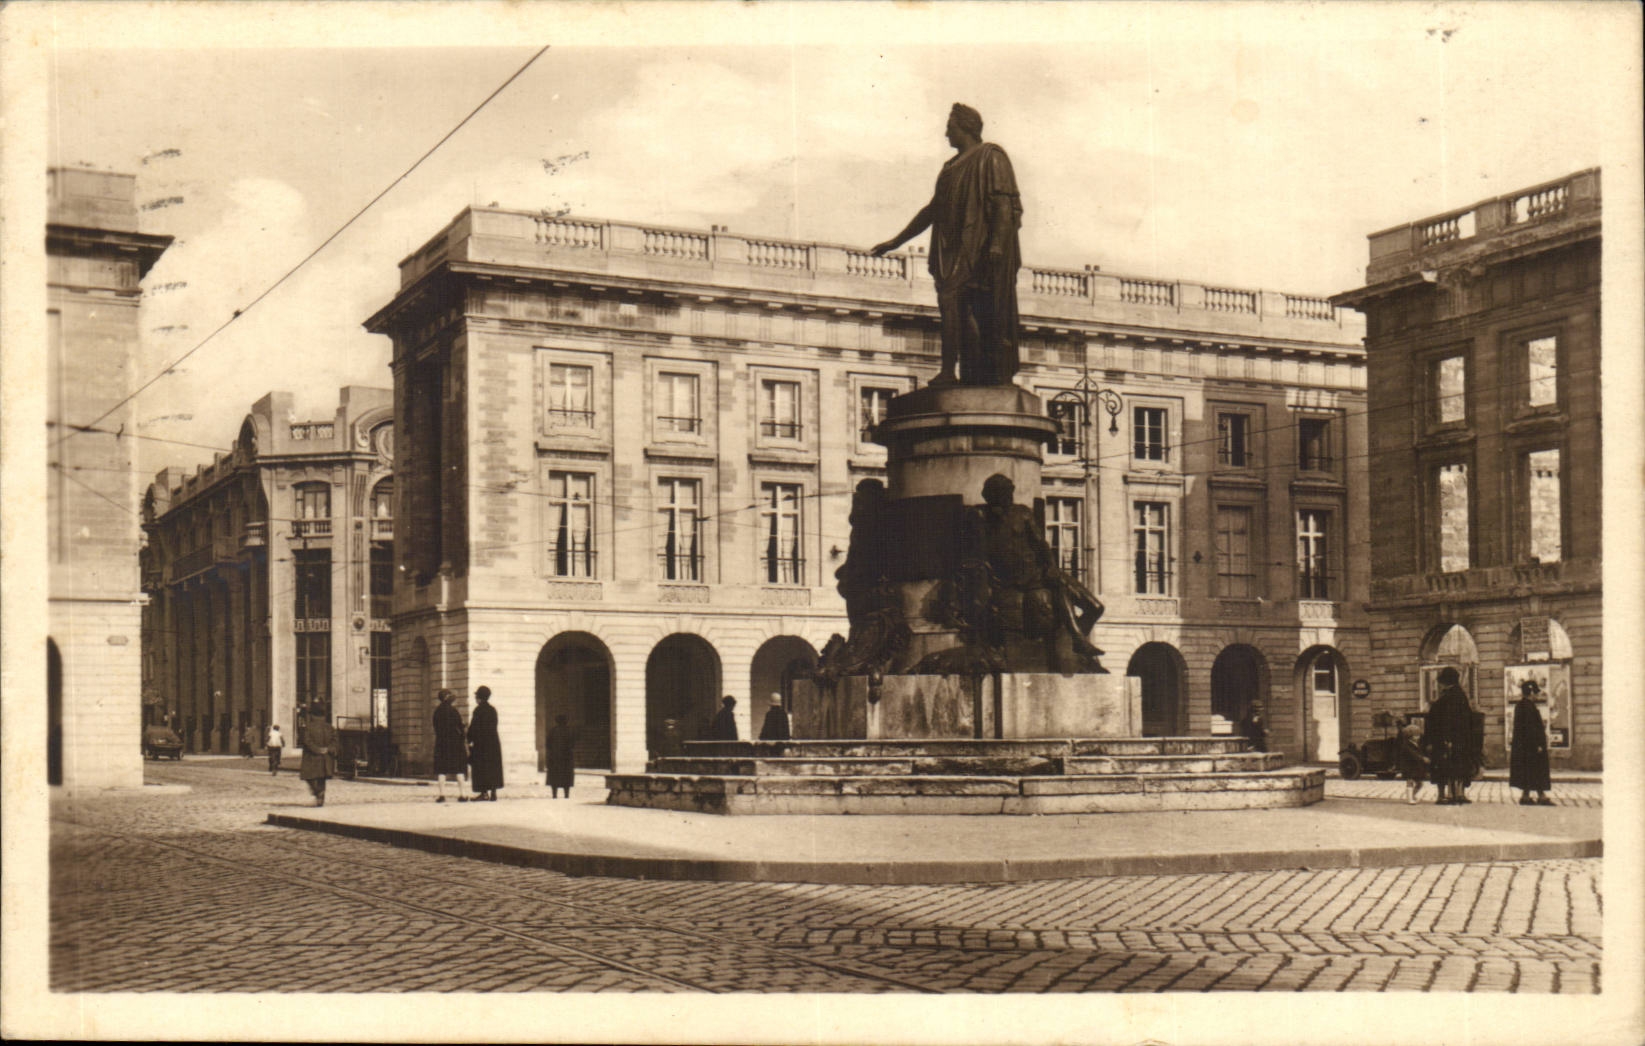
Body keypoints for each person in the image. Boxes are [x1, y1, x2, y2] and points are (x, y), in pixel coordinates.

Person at [872, 103, 1023, 387]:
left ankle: (986, 372)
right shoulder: (950, 168)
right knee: (951, 307)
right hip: (951, 251)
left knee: (981, 310)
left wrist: (997, 247)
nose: (945, 134)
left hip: (980, 250)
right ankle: (950, 371)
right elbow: (932, 211)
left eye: (949, 127)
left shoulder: (991, 157)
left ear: (965, 127)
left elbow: (1004, 206)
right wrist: (896, 240)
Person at [1423, 667, 1477, 805]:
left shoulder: (1446, 698)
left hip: (1444, 739)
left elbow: (1442, 720)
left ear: (1445, 682)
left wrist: (1444, 739)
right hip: (1462, 739)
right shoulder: (1461, 697)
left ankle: (1442, 795)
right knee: (1460, 766)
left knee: (1443, 767)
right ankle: (1459, 794)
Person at [1510, 679, 1554, 806]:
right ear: (1530, 692)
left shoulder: (1521, 705)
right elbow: (1531, 728)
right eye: (1535, 692)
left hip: (1524, 746)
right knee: (1537, 769)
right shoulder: (1528, 706)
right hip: (1532, 746)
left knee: (1528, 770)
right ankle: (1540, 796)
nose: (1536, 695)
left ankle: (1526, 795)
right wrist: (1538, 745)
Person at [431, 689, 470, 803]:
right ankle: (462, 795)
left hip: (441, 743)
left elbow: (436, 727)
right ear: (447, 698)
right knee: (459, 770)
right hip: (455, 744)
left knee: (441, 770)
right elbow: (460, 727)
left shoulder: (437, 712)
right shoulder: (453, 711)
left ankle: (442, 795)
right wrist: (463, 734)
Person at [466, 685, 503, 801]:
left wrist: (469, 739)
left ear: (479, 698)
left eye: (476, 696)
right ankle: (493, 792)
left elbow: (474, 727)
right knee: (493, 767)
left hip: (481, 744)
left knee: (481, 768)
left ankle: (483, 793)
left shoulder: (478, 710)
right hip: (493, 742)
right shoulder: (492, 710)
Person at [299, 709, 337, 807]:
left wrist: (317, 750)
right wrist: (328, 749)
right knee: (322, 778)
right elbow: (335, 741)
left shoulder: (308, 727)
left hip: (312, 757)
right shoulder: (330, 727)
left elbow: (306, 741)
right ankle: (320, 798)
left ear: (312, 716)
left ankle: (318, 792)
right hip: (326, 757)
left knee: (309, 777)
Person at [1396, 714, 1428, 805]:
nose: (1418, 737)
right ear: (1409, 736)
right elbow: (1414, 755)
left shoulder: (1415, 744)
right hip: (1408, 767)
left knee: (1419, 783)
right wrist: (1423, 758)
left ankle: (1413, 795)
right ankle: (1410, 798)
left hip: (1415, 767)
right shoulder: (1406, 745)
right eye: (1416, 735)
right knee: (1410, 782)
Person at [545, 714, 577, 799]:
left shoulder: (552, 731)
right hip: (567, 758)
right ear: (566, 721)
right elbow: (573, 744)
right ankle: (566, 795)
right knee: (566, 777)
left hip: (555, 758)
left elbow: (548, 745)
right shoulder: (570, 731)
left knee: (554, 777)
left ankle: (554, 795)